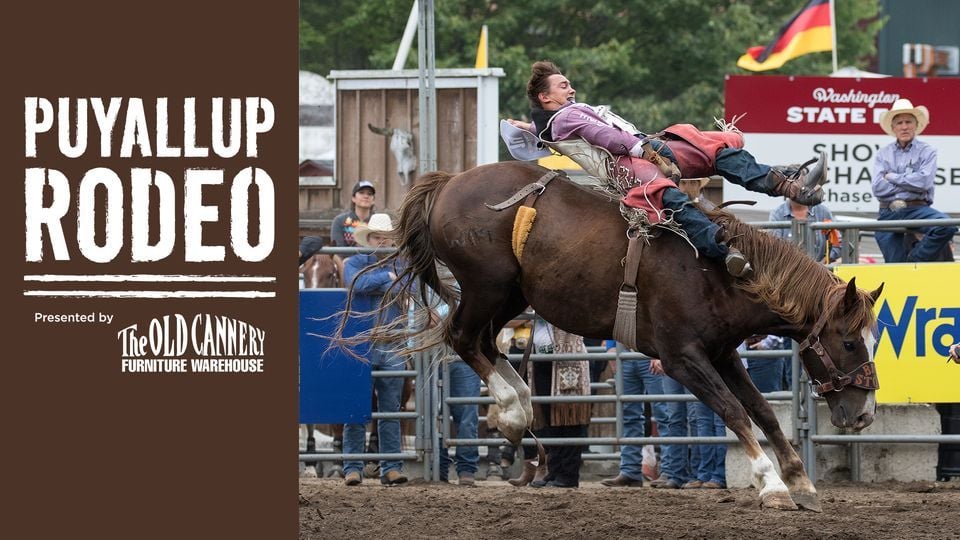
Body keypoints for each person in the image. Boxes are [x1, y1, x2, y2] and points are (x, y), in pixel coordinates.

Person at [509, 60, 828, 278]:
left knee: (711, 152)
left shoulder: (554, 121)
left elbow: (548, 132)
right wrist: (638, 148)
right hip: (626, 159)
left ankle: (783, 188)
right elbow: (601, 135)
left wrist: (524, 123)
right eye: (563, 86)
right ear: (545, 96)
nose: (571, 89)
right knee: (676, 187)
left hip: (641, 150)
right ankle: (776, 195)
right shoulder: (565, 117)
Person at [341, 213, 409, 486]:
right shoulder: (356, 262)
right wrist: (387, 278)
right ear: (368, 239)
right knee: (357, 407)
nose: (382, 242)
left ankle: (390, 466)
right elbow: (355, 283)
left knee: (390, 408)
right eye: (377, 237)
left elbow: (410, 287)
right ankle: (353, 466)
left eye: (386, 238)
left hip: (390, 343)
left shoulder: (401, 264)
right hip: (363, 344)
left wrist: (381, 280)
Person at [509, 317, 592, 489]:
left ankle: (568, 475)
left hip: (566, 356)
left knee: (568, 418)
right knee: (549, 418)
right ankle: (554, 471)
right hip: (541, 357)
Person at [871, 98, 957, 263]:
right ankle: (905, 266)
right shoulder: (883, 153)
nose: (904, 126)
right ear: (893, 127)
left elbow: (924, 182)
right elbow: (877, 188)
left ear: (916, 125)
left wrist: (892, 177)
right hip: (888, 212)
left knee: (947, 226)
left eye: (909, 122)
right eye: (900, 122)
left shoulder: (927, 151)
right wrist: (911, 185)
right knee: (894, 266)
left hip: (917, 209)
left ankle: (914, 261)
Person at [601, 342, 669, 487]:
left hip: (650, 353)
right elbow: (614, 320)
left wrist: (660, 351)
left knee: (663, 413)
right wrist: (611, 347)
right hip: (625, 352)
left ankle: (669, 471)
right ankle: (630, 470)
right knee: (629, 414)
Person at [768, 199, 842, 264]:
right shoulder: (777, 213)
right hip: (788, 274)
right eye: (793, 186)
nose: (798, 189)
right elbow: (773, 249)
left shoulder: (823, 211)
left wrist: (822, 265)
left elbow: (838, 245)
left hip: (820, 274)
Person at [331, 180, 377, 247]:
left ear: (373, 200)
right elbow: (337, 250)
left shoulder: (379, 221)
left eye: (369, 194)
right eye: (361, 193)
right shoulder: (340, 221)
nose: (366, 196)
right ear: (353, 198)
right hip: (346, 257)